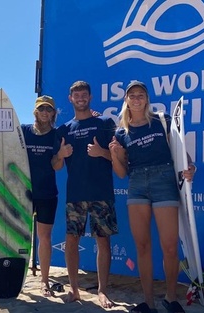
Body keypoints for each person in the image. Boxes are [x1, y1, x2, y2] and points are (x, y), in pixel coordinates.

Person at [109, 80, 196, 313]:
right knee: (143, 246)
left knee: (169, 246)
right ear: (126, 99)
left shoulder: (162, 120)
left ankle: (170, 297)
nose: (136, 99)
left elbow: (181, 152)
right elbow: (121, 172)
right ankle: (148, 302)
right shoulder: (120, 132)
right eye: (132, 95)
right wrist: (114, 154)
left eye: (141, 95)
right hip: (136, 183)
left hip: (164, 180)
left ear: (147, 99)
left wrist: (191, 167)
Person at [0, 95, 59, 297]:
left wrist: (60, 156)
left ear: (53, 113)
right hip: (21, 194)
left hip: (47, 193)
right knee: (17, 236)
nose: (45, 113)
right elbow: (1, 141)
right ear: (35, 111)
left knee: (44, 237)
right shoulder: (22, 131)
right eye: (41, 109)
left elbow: (57, 166)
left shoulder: (56, 135)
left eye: (48, 109)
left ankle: (44, 281)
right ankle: (14, 275)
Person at [52, 80, 118, 308]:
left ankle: (102, 291)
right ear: (70, 99)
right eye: (76, 95)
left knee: (103, 241)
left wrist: (102, 153)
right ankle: (74, 290)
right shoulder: (64, 129)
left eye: (84, 94)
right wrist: (60, 154)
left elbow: (119, 159)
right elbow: (56, 166)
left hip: (102, 193)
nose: (80, 97)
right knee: (71, 241)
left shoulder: (105, 122)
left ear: (90, 97)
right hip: (75, 195)